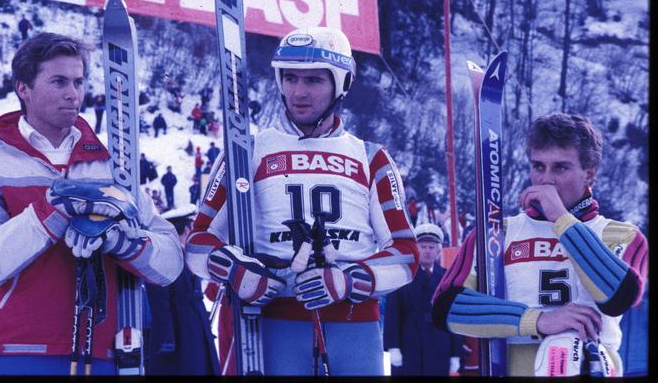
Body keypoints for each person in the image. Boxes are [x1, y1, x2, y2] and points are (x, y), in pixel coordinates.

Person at [184, 27, 420, 376]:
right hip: (273, 318)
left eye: (313, 81)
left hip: (352, 324)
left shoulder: (371, 158)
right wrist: (235, 270)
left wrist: (347, 281)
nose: (298, 92)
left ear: (340, 84)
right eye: (290, 78)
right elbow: (198, 244)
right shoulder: (245, 151)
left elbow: (405, 253)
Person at [0, 32, 183, 375]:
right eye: (59, 81)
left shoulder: (110, 166)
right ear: (23, 88)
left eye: (78, 81)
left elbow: (169, 264)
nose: (73, 93)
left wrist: (121, 241)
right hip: (11, 350)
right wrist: (56, 211)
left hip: (98, 354)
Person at [431, 113, 648, 377]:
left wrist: (561, 219)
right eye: (538, 166)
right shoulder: (496, 234)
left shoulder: (620, 234)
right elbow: (446, 308)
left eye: (561, 167)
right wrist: (539, 320)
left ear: (589, 173)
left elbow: (619, 297)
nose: (546, 180)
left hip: (590, 367)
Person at [144, 205, 220, 375]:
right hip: (179, 334)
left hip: (193, 329)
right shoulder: (161, 258)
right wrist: (166, 339)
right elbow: (158, 302)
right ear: (186, 229)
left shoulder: (186, 256)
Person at [384, 223, 463, 376]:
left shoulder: (448, 278)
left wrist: (455, 353)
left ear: (438, 251)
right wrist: (393, 348)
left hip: (440, 347)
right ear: (416, 249)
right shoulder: (402, 275)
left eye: (431, 247)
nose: (427, 251)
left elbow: (453, 317)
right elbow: (392, 313)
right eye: (423, 246)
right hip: (409, 347)